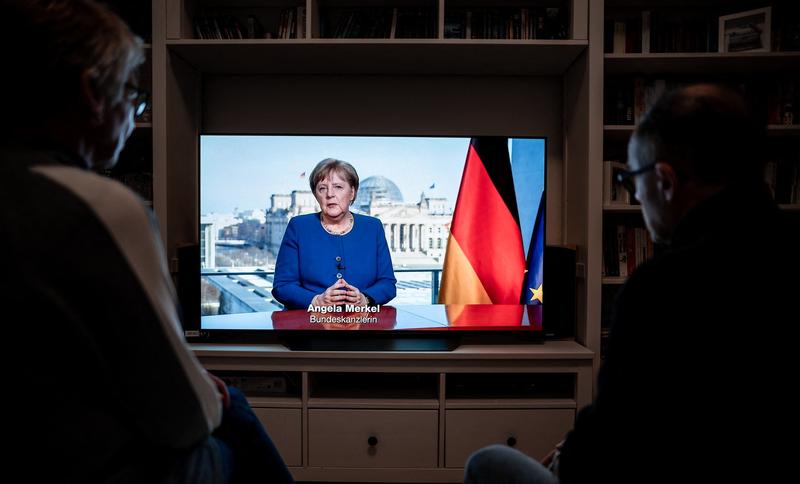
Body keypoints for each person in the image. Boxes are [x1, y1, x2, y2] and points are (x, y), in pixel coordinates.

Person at [0, 1, 293, 482]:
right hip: (87, 462)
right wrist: (211, 395)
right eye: (133, 96)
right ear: (90, 92)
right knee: (232, 410)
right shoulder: (98, 205)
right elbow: (180, 416)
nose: (134, 113)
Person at [464, 84, 800, 484]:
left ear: (665, 181)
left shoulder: (663, 288)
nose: (636, 195)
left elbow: (610, 442)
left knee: (487, 463)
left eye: (629, 178)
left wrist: (570, 451)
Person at [272, 158, 397, 310]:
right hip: (309, 325)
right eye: (322, 188)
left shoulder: (373, 227)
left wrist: (366, 299)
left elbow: (387, 284)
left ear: (352, 193)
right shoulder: (299, 226)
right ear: (316, 195)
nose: (330, 194)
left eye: (338, 187)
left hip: (362, 325)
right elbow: (282, 286)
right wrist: (315, 301)